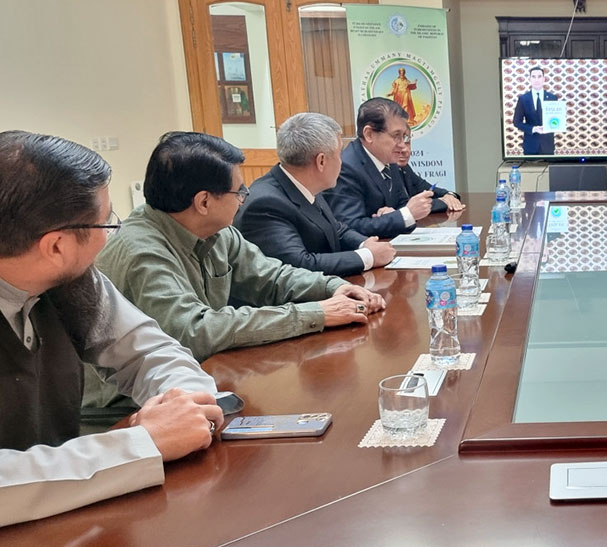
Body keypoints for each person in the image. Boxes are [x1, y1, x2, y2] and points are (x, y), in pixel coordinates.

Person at [0, 131, 224, 526]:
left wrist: (181, 404)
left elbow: (147, 350)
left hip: (67, 518)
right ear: (55, 247)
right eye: (107, 223)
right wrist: (139, 445)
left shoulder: (73, 279)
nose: (115, 230)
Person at [95, 131, 386, 366]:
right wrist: (316, 313)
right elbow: (195, 331)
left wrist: (332, 287)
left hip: (196, 378)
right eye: (239, 191)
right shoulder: (142, 252)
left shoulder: (217, 231)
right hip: (129, 410)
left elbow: (271, 277)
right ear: (204, 202)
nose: (245, 198)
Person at [235, 112, 396, 276]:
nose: (342, 162)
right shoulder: (264, 204)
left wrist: (364, 243)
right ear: (321, 161)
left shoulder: (305, 184)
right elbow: (298, 265)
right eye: (339, 154)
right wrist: (368, 257)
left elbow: (335, 229)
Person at [326, 98, 463, 239]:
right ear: (369, 134)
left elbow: (402, 203)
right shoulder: (346, 168)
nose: (403, 145)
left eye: (404, 137)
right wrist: (404, 215)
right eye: (396, 136)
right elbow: (350, 227)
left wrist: (395, 215)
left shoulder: (388, 158)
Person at [512, 66, 559, 155]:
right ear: (530, 79)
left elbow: (556, 120)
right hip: (530, 145)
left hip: (547, 146)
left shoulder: (552, 98)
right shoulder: (523, 99)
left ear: (544, 79)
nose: (536, 80)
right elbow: (516, 122)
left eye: (539, 76)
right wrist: (533, 129)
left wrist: (555, 124)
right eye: (533, 77)